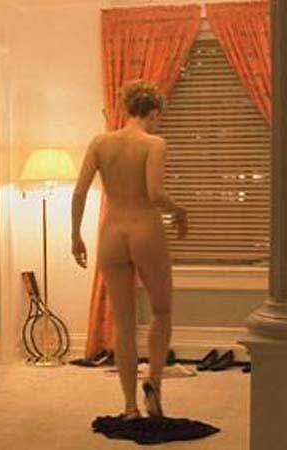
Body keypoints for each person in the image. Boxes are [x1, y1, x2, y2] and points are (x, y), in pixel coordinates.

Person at [71, 79, 188, 420]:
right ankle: (153, 383)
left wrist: (75, 235)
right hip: (145, 230)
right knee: (161, 311)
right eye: (158, 118)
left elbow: (79, 193)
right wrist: (180, 211)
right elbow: (155, 194)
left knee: (123, 325)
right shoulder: (154, 143)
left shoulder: (100, 142)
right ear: (153, 113)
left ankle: (129, 407)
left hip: (112, 233)